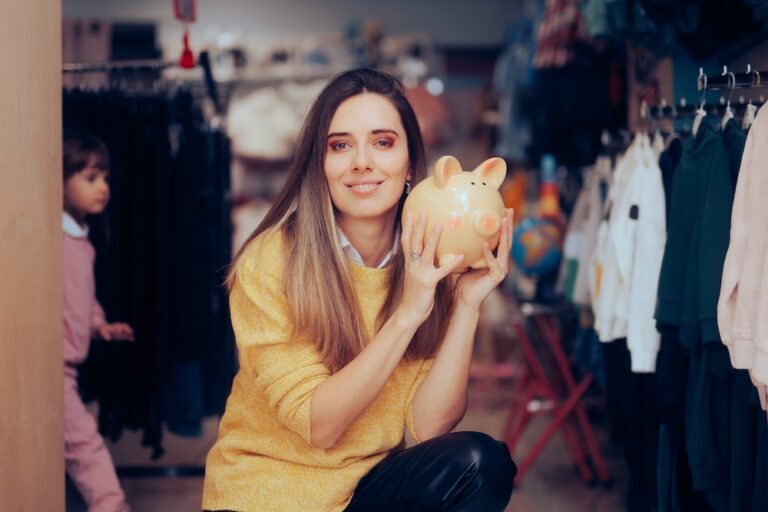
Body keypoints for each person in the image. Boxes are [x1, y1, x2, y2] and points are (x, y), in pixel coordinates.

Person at [203, 68, 516, 512]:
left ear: (410, 163)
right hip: (265, 494)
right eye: (340, 145)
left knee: (482, 463)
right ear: (320, 164)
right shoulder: (270, 260)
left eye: (383, 142)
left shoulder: (430, 261)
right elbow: (320, 426)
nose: (362, 162)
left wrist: (466, 303)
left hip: (362, 491)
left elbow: (430, 426)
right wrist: (408, 313)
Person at [63, 133, 134, 512]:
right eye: (90, 178)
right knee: (85, 445)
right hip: (51, 369)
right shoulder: (53, 238)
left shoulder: (81, 239)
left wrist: (99, 324)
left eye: (105, 178)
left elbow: (80, 295)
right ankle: (112, 504)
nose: (103, 188)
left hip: (69, 366)